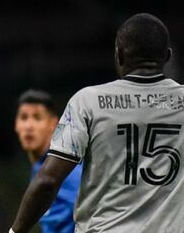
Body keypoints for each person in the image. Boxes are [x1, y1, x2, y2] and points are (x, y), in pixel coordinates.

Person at [10, 13, 184, 233]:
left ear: (119, 55)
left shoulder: (87, 102)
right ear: (167, 56)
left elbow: (48, 182)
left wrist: (15, 231)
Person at [14, 89, 82, 233]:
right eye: (24, 118)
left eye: (37, 118)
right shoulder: (39, 167)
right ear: (16, 125)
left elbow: (89, 209)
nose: (29, 126)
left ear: (54, 124)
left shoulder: (64, 169)